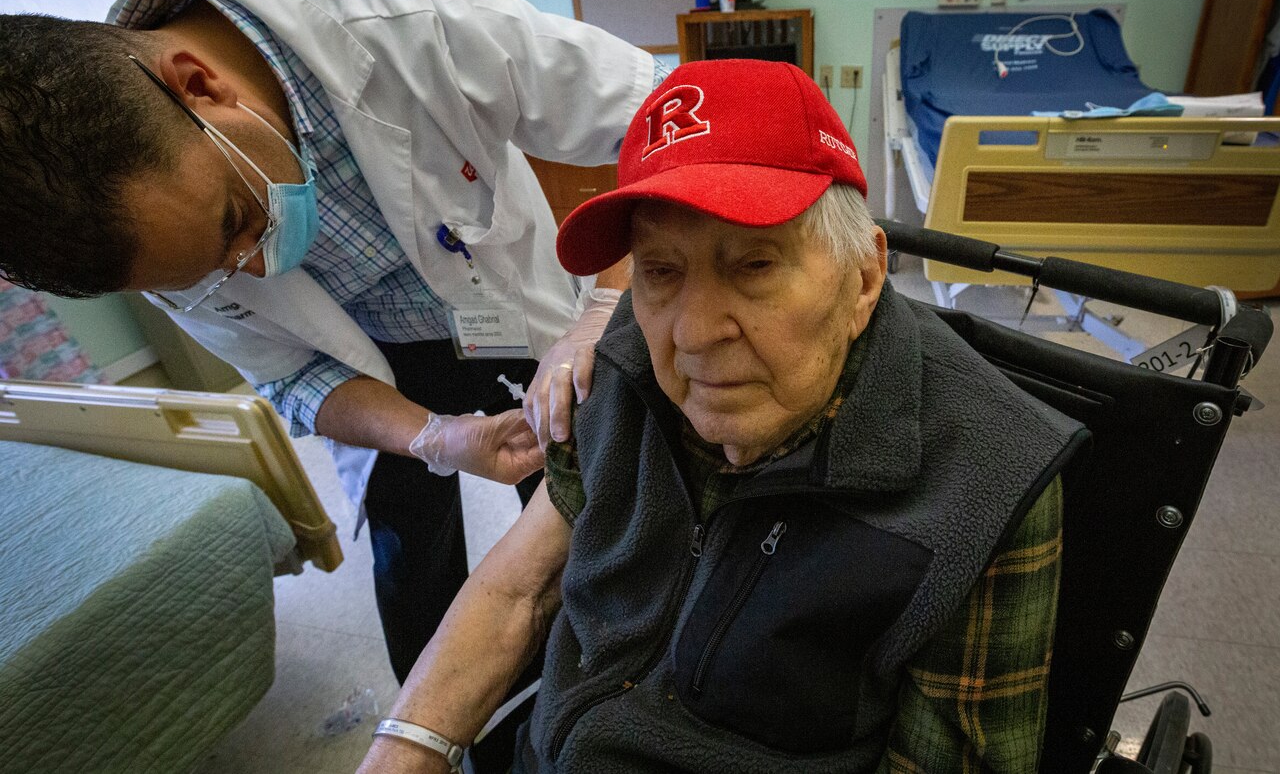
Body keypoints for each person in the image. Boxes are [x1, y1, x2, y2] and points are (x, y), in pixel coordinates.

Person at [0, 0, 661, 765]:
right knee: (410, 561)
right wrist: (432, 438)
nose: (252, 266)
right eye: (207, 273)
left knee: (577, 501)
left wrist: (605, 303)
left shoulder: (397, 27)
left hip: (511, 316)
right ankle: (474, 740)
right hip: (370, 363)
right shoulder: (144, 224)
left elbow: (662, 115)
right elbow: (292, 372)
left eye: (233, 221)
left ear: (198, 85)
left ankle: (600, 684)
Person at [357, 58, 1090, 774]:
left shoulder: (986, 486)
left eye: (753, 265)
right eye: (662, 271)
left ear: (863, 278)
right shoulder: (622, 357)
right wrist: (404, 746)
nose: (693, 331)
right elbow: (517, 585)